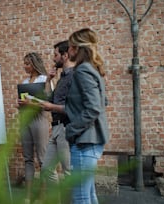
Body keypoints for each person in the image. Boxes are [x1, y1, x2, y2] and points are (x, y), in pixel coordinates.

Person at [64, 28, 110, 204]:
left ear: (76, 48)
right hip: (91, 140)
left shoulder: (83, 70)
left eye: (69, 47)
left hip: (85, 141)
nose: (67, 52)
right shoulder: (92, 69)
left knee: (81, 197)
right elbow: (102, 101)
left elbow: (94, 107)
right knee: (89, 195)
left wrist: (72, 129)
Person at [39, 40, 75, 203]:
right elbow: (48, 98)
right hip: (56, 128)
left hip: (66, 128)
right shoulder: (61, 78)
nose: (53, 59)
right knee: (46, 169)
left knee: (69, 173)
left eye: (55, 55)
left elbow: (74, 107)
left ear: (65, 55)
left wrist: (51, 106)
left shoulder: (75, 76)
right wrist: (48, 80)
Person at [18, 52, 50, 204]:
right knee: (28, 159)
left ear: (34, 64)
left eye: (27, 64)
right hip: (26, 120)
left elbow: (48, 103)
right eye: (24, 63)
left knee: (42, 159)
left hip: (39, 120)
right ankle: (28, 196)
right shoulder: (24, 81)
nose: (25, 66)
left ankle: (43, 196)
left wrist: (30, 103)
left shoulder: (44, 80)